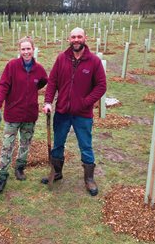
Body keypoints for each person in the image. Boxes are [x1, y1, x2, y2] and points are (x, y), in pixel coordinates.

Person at [41, 27, 106, 196]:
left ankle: (89, 179)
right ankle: (57, 172)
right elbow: (53, 82)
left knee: (85, 145)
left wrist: (86, 102)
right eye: (73, 37)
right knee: (58, 143)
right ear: (69, 39)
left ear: (85, 38)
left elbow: (101, 86)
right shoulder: (61, 58)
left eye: (79, 37)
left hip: (82, 114)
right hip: (62, 111)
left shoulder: (94, 61)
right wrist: (48, 101)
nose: (76, 40)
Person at [0, 36, 48, 195]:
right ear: (19, 50)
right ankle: (2, 176)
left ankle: (20, 167)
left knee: (25, 143)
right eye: (23, 49)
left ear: (33, 49)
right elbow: (3, 85)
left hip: (30, 114)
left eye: (28, 48)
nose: (26, 52)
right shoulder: (12, 66)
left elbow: (43, 82)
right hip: (13, 113)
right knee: (7, 145)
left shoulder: (39, 69)